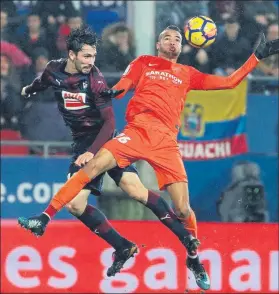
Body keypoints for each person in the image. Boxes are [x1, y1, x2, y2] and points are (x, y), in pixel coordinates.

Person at [18, 25, 278, 290]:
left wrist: (256, 57)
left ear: (182, 45)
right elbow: (125, 83)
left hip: (165, 143)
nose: (173, 42)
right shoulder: (144, 62)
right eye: (167, 37)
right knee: (94, 164)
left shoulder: (188, 74)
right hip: (136, 132)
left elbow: (230, 82)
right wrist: (114, 92)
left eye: (177, 39)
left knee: (183, 209)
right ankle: (46, 217)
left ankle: (194, 259)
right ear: (158, 43)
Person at [17, 26, 202, 286]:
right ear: (71, 54)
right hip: (84, 143)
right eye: (86, 57)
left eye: (94, 57)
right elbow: (43, 81)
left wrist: (91, 153)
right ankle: (124, 246)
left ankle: (182, 238)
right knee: (105, 198)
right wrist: (29, 90)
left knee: (115, 196)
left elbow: (108, 123)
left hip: (101, 141)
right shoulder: (53, 70)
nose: (91, 62)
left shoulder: (96, 80)